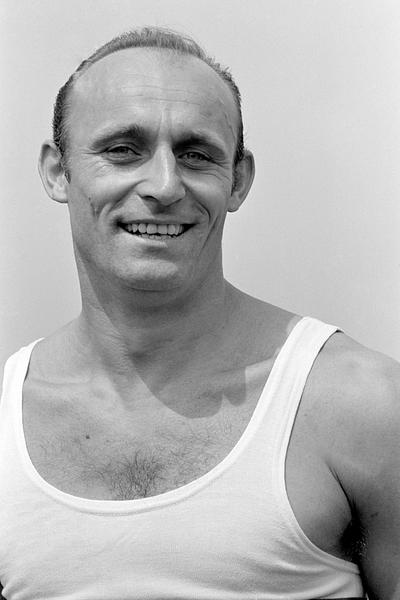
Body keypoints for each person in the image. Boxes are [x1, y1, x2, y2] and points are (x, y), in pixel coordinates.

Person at [0, 26, 399, 600]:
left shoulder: (361, 404)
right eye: (122, 150)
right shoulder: (8, 421)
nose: (164, 185)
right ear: (57, 172)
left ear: (238, 180)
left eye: (196, 155)